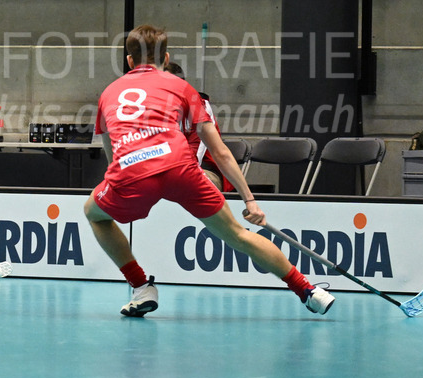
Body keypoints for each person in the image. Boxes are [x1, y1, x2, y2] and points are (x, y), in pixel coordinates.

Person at [83, 25, 335, 317]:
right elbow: (220, 151)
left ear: (128, 61)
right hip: (180, 167)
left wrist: (122, 184)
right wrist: (249, 200)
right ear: (166, 58)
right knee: (238, 235)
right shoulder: (183, 88)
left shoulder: (108, 93)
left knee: (94, 214)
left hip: (132, 173)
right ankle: (308, 290)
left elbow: (111, 153)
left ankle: (141, 287)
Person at [162, 61, 231, 192]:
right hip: (165, 170)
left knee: (184, 185)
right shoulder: (153, 109)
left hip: (203, 170)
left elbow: (194, 158)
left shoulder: (200, 106)